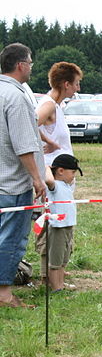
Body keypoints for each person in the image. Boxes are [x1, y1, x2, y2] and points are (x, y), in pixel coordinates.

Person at [0, 43, 46, 308]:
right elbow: (24, 145)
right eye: (30, 62)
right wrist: (37, 178)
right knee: (11, 240)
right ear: (20, 65)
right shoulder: (16, 97)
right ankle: (4, 295)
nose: (30, 67)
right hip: (12, 185)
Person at [38, 154, 82, 291]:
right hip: (58, 227)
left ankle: (61, 283)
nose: (74, 176)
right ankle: (56, 287)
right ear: (61, 171)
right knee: (55, 261)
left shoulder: (66, 185)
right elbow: (48, 179)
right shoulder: (54, 186)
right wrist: (46, 167)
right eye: (72, 172)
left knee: (63, 258)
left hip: (68, 226)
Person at [37, 62, 83, 166]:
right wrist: (50, 142)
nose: (78, 89)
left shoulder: (57, 105)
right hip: (53, 172)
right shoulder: (49, 105)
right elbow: (30, 124)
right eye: (76, 84)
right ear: (66, 85)